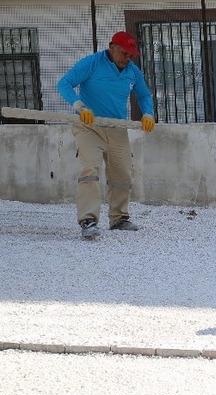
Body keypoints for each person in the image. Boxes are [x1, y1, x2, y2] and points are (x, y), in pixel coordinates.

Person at [57, 31, 156, 239]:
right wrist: (79, 106)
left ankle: (119, 218)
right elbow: (64, 83)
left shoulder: (132, 71)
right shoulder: (92, 63)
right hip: (89, 126)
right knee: (90, 169)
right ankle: (88, 220)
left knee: (122, 174)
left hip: (117, 127)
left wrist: (148, 113)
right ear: (112, 47)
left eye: (131, 55)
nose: (127, 58)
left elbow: (144, 94)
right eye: (124, 53)